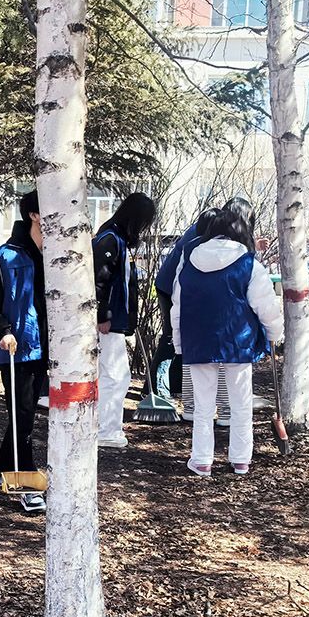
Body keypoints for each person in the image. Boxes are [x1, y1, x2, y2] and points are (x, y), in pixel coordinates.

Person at [173, 208, 284, 476]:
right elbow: (266, 306)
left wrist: (179, 343)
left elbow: (177, 306)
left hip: (198, 339)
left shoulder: (188, 260)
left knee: (203, 404)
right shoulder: (248, 264)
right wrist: (274, 334)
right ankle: (241, 459)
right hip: (238, 340)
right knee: (240, 402)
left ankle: (202, 460)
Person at [0, 190, 47, 514]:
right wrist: (3, 331)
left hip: (46, 348)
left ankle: (0, 471)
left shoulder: (58, 255)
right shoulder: (5, 257)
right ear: (34, 215)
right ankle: (25, 486)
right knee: (23, 415)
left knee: (23, 413)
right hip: (16, 348)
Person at [93, 192, 156, 449]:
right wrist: (103, 315)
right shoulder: (110, 240)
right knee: (115, 375)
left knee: (113, 374)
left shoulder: (116, 240)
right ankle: (106, 429)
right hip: (109, 322)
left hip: (116, 320)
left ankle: (105, 426)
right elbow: (99, 280)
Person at [154, 207, 219, 399]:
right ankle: (157, 389)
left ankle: (175, 385)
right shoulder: (195, 243)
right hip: (170, 288)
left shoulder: (202, 234)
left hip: (179, 289)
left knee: (181, 338)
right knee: (171, 337)